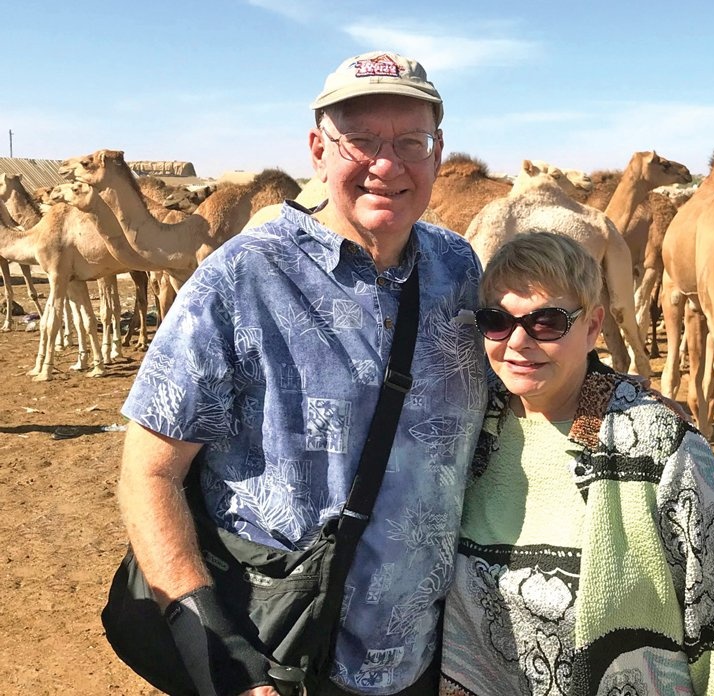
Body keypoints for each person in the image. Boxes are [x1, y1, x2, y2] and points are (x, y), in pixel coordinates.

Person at [117, 51, 487, 696]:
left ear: (438, 152)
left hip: (428, 657)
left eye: (410, 141)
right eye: (361, 141)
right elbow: (149, 471)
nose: (387, 163)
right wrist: (217, 656)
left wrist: (623, 403)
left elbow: (533, 376)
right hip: (281, 656)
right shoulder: (241, 279)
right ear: (319, 149)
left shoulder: (457, 268)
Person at [439, 232, 714, 696]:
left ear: (593, 327)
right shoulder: (466, 429)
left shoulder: (660, 446)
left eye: (547, 322)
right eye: (497, 320)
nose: (517, 342)